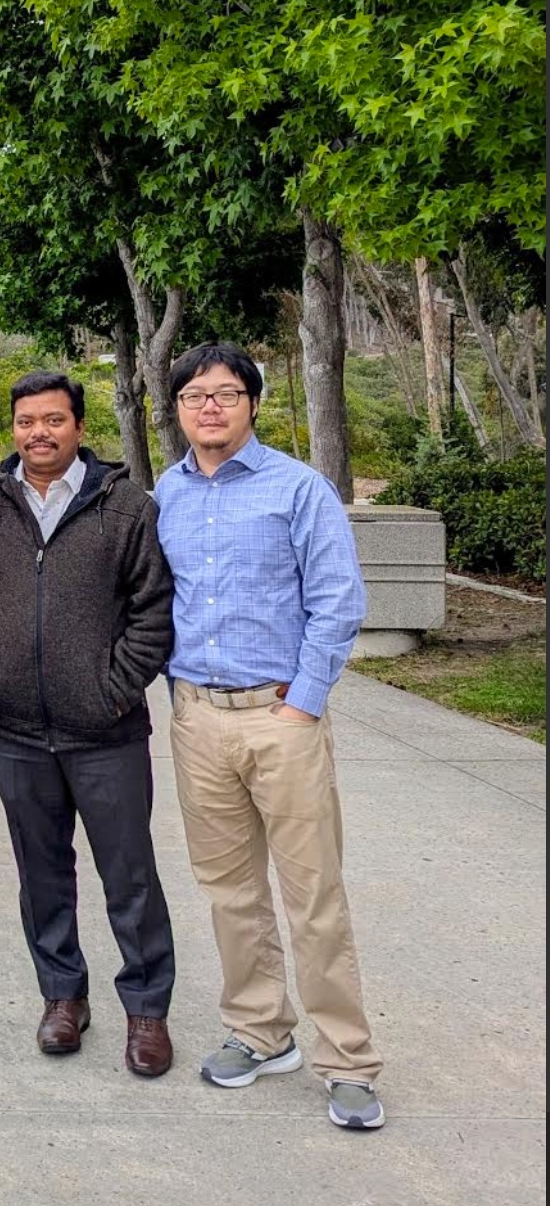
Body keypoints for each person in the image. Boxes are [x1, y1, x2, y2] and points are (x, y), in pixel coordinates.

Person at [154, 342, 382, 1130]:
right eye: (193, 395)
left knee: (313, 894)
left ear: (252, 403)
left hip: (280, 717)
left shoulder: (298, 488)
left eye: (224, 394)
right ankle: (259, 1029)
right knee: (230, 893)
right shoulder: (166, 495)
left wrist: (305, 704)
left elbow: (337, 601)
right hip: (197, 719)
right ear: (177, 407)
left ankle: (347, 1059)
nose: (208, 407)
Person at [0, 371, 178, 1078]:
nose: (38, 433)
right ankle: (62, 996)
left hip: (106, 731)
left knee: (129, 875)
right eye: (25, 421)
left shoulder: (126, 507)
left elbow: (153, 610)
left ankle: (146, 1009)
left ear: (78, 426)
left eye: (53, 420)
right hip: (15, 730)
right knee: (41, 873)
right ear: (12, 428)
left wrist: (113, 687)